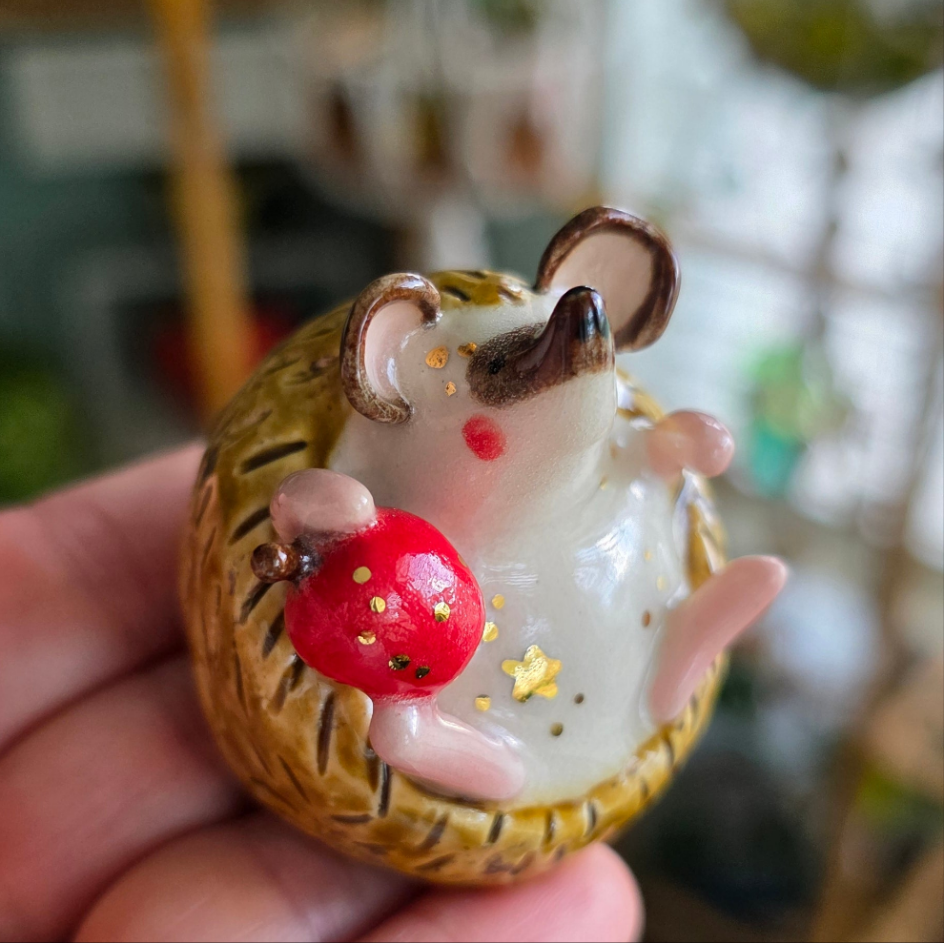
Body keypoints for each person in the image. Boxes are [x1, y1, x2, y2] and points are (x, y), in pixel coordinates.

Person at [0, 446, 642, 942]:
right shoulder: (323, 620)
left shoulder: (378, 557)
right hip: (413, 687)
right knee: (406, 735)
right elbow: (311, 503)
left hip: (455, 651)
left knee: (423, 738)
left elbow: (323, 503)